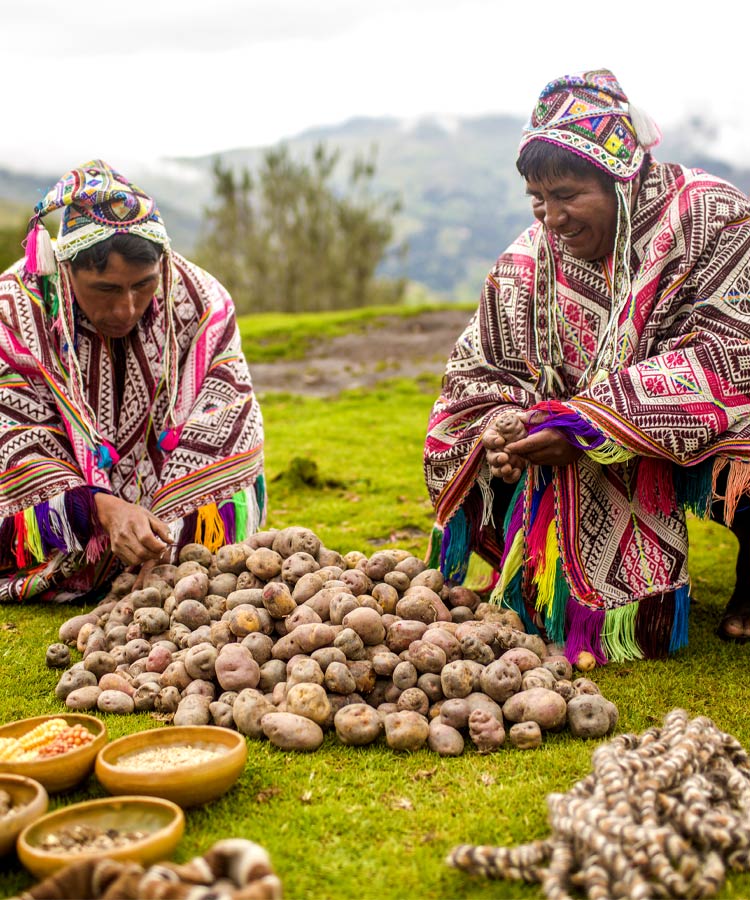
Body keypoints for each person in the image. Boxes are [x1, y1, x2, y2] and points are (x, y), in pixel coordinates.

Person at [424, 69, 750, 665]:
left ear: (623, 180)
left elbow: (730, 355)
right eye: (538, 199)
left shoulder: (714, 217)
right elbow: (480, 369)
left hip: (712, 423)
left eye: (568, 196)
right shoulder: (529, 261)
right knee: (460, 435)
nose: (551, 217)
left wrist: (589, 424)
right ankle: (535, 576)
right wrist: (506, 428)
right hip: (587, 430)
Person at [0, 160, 265, 602]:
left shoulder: (202, 301)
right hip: (73, 532)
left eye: (142, 286)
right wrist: (97, 508)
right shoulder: (14, 311)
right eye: (106, 289)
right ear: (66, 269)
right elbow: (13, 433)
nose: (126, 309)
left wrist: (167, 528)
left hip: (168, 512)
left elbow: (225, 419)